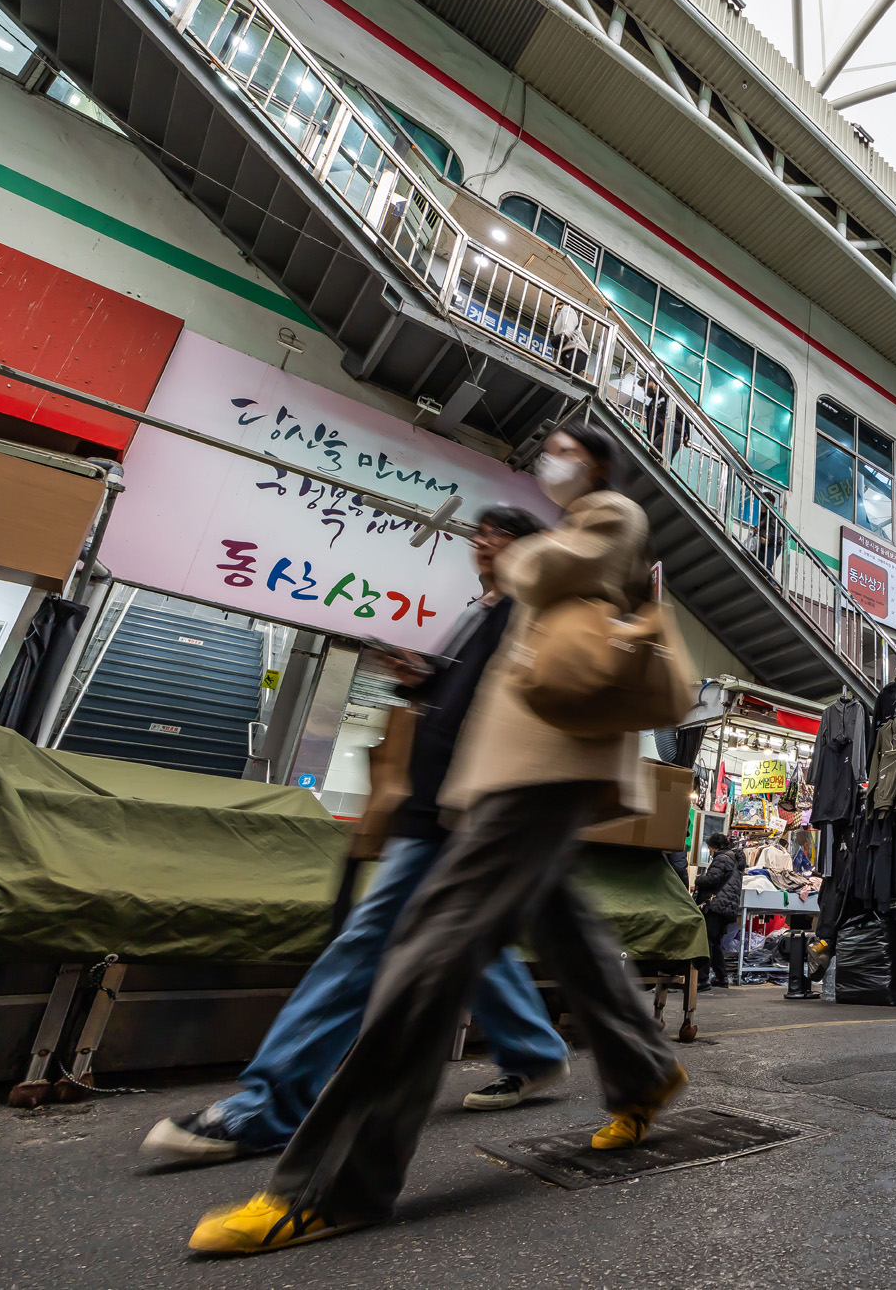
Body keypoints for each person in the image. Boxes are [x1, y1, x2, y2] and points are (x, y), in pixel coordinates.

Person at [188, 426, 685, 1256]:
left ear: (596, 463)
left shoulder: (609, 517)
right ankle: (643, 1071)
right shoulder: (547, 555)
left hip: (544, 771)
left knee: (427, 958)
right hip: (516, 776)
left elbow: (546, 574)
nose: (549, 460)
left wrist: (518, 554)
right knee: (567, 929)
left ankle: (332, 1185)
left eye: (563, 450)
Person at [142, 507, 567, 1166]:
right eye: (480, 532)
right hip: (439, 810)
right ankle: (534, 1050)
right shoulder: (485, 614)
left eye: (498, 533)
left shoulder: (534, 616)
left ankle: (270, 1106)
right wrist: (424, 680)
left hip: (463, 813)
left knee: (367, 944)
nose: (481, 542)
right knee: (470, 939)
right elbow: (468, 704)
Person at [695, 832, 745, 991]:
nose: (710, 852)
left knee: (706, 941)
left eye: (710, 848)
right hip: (727, 907)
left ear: (714, 847)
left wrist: (698, 879)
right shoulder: (734, 859)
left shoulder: (722, 858)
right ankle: (721, 977)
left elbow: (713, 878)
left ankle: (702, 979)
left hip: (717, 905)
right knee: (715, 941)